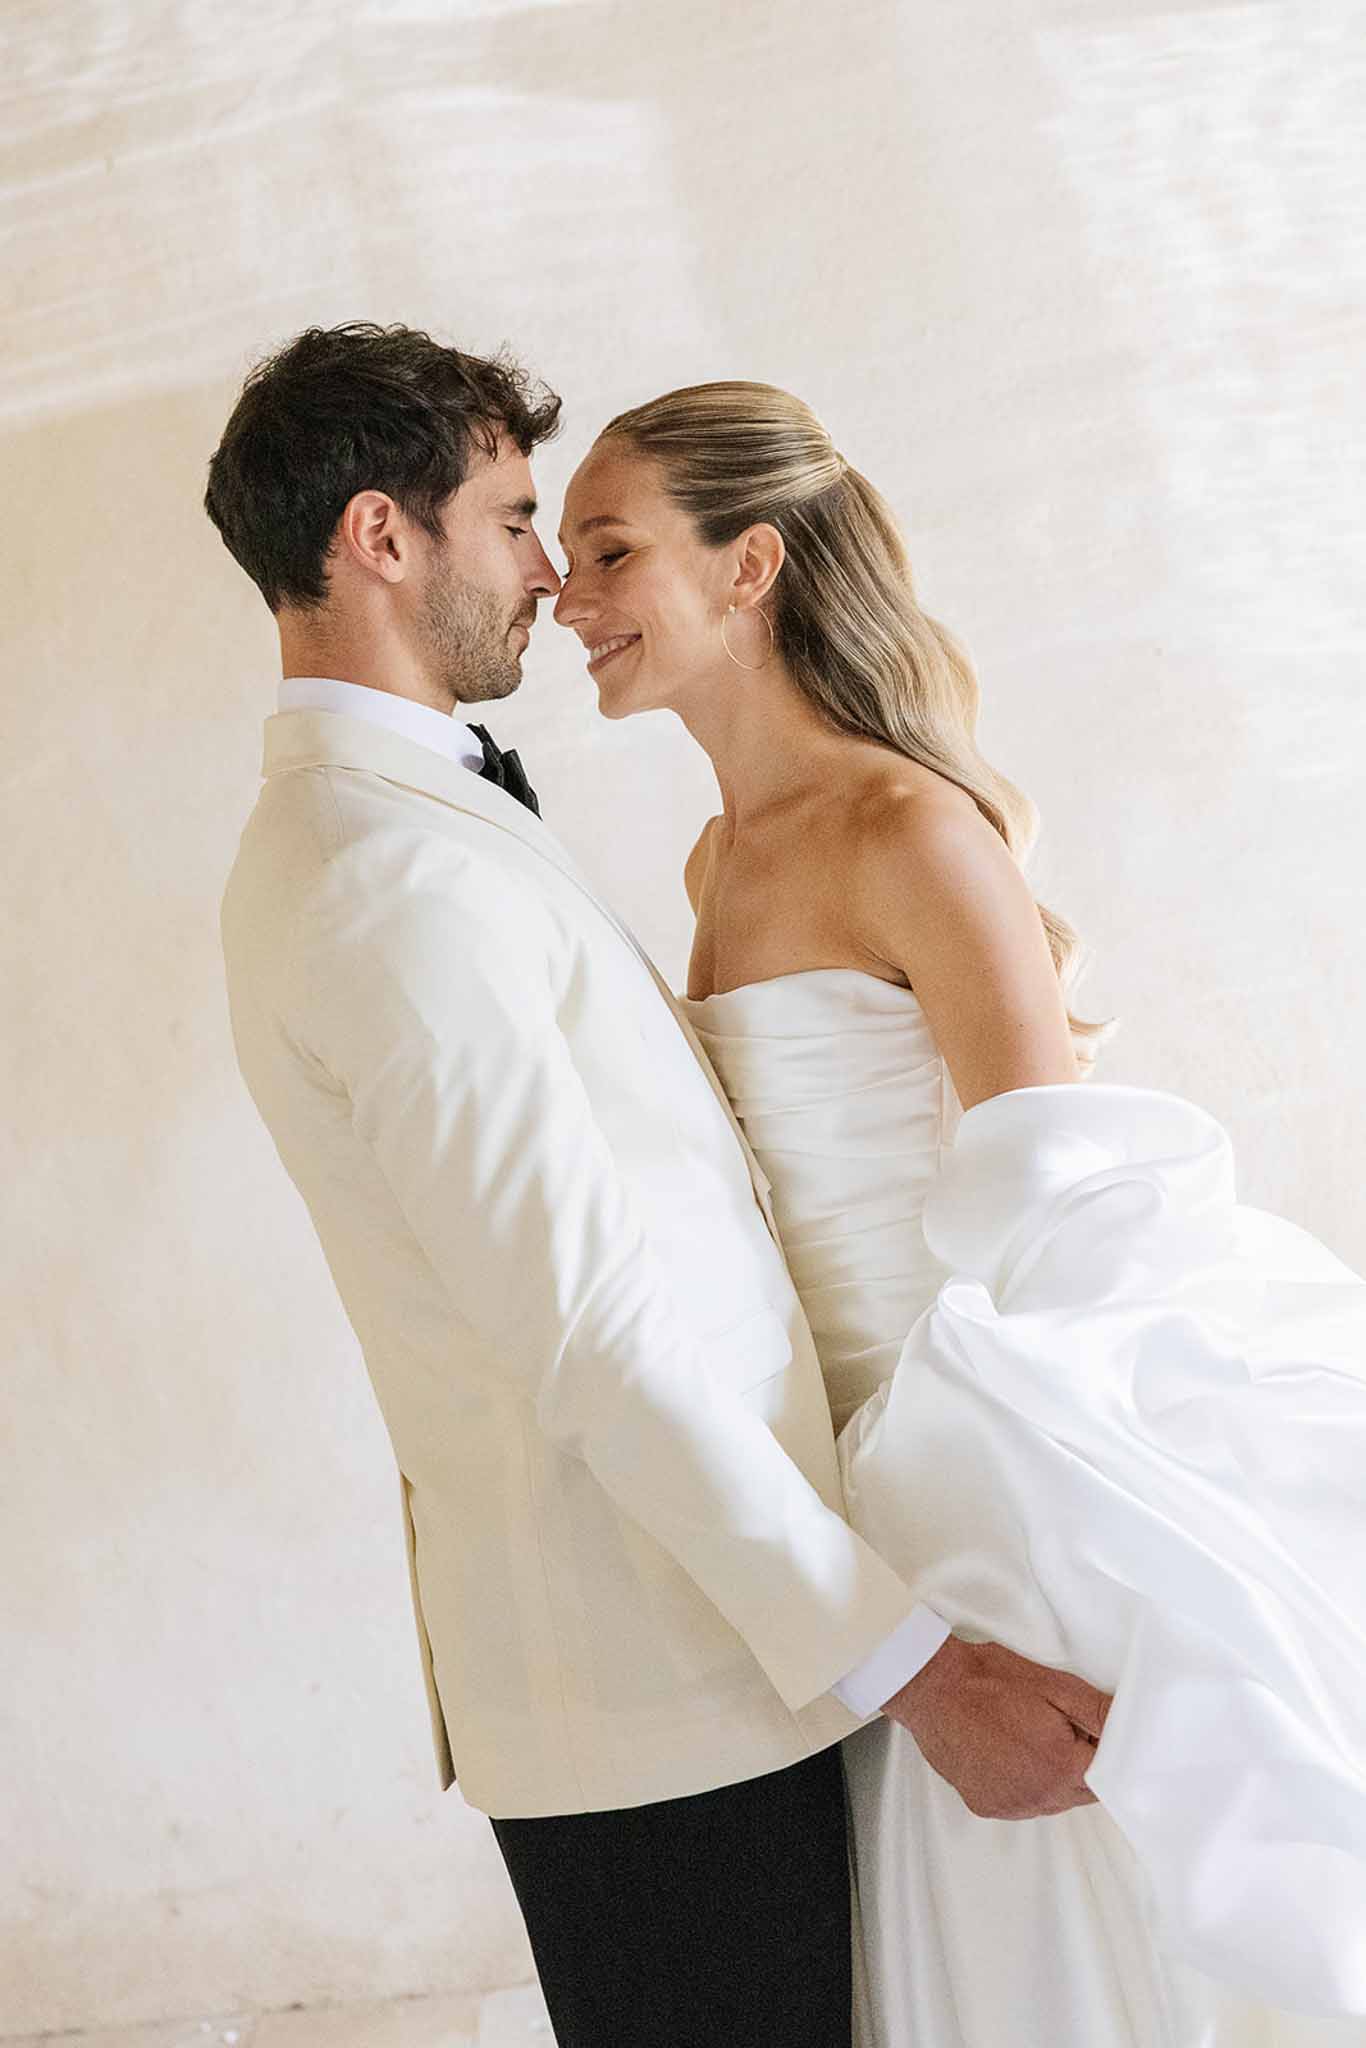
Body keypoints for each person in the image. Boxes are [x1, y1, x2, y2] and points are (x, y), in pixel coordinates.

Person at [206, 324, 1107, 2048]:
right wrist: (918, 1669)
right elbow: (591, 1328)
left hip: (742, 1632)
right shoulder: (381, 872)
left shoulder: (408, 825)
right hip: (656, 1678)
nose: (550, 576)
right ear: (381, 540)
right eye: (522, 517)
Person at [555, 379, 1366, 2046]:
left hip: (963, 1456)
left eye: (609, 549)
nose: (568, 597)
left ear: (748, 566)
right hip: (825, 1475)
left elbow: (1059, 1188)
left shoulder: (909, 825)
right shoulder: (716, 862)